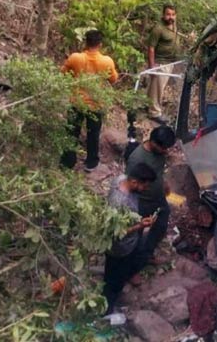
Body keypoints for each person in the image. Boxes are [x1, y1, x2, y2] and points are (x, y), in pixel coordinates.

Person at [103, 163, 158, 314]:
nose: (145, 189)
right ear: (134, 182)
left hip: (129, 243)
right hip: (119, 249)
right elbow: (115, 232)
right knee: (113, 282)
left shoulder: (121, 179)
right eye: (144, 186)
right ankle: (106, 310)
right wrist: (139, 226)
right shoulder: (120, 202)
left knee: (117, 274)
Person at [61, 29, 119, 171]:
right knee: (93, 134)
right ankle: (91, 163)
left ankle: (68, 162)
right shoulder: (107, 61)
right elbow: (113, 79)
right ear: (100, 44)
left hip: (77, 102)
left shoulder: (75, 58)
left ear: (85, 42)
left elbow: (63, 73)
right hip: (96, 103)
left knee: (72, 133)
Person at [126, 125, 176, 262]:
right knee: (136, 234)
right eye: (164, 148)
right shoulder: (137, 159)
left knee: (161, 225)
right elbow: (130, 184)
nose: (166, 151)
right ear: (153, 142)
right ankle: (132, 264)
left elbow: (158, 171)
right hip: (142, 202)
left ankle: (146, 254)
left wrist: (163, 184)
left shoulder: (160, 153)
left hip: (159, 199)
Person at [146, 4, 182, 122]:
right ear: (163, 15)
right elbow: (151, 48)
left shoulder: (173, 25)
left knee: (156, 87)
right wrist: (152, 66)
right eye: (168, 14)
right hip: (160, 62)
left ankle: (148, 105)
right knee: (158, 88)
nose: (170, 17)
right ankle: (154, 113)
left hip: (170, 62)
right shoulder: (158, 29)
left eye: (172, 14)